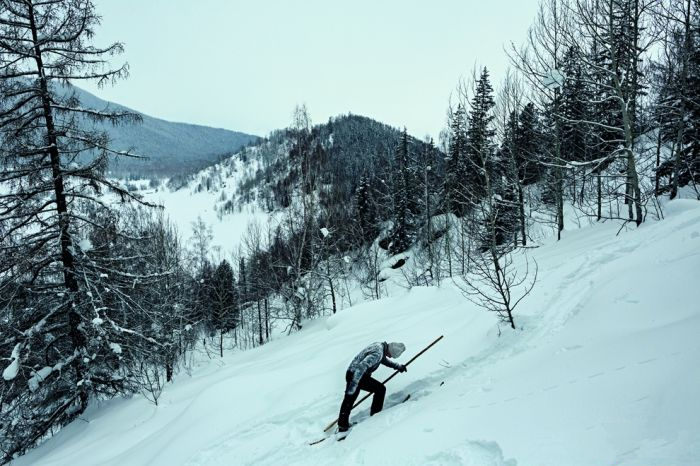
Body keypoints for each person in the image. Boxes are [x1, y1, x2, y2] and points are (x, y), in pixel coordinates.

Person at [337, 341, 407, 432]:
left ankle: (342, 424)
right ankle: (375, 417)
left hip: (354, 373)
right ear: (389, 350)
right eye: (391, 355)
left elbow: (383, 360)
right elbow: (361, 367)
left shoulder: (379, 347)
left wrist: (397, 366)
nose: (390, 357)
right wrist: (354, 385)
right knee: (379, 389)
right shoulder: (378, 353)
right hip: (357, 375)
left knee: (349, 399)